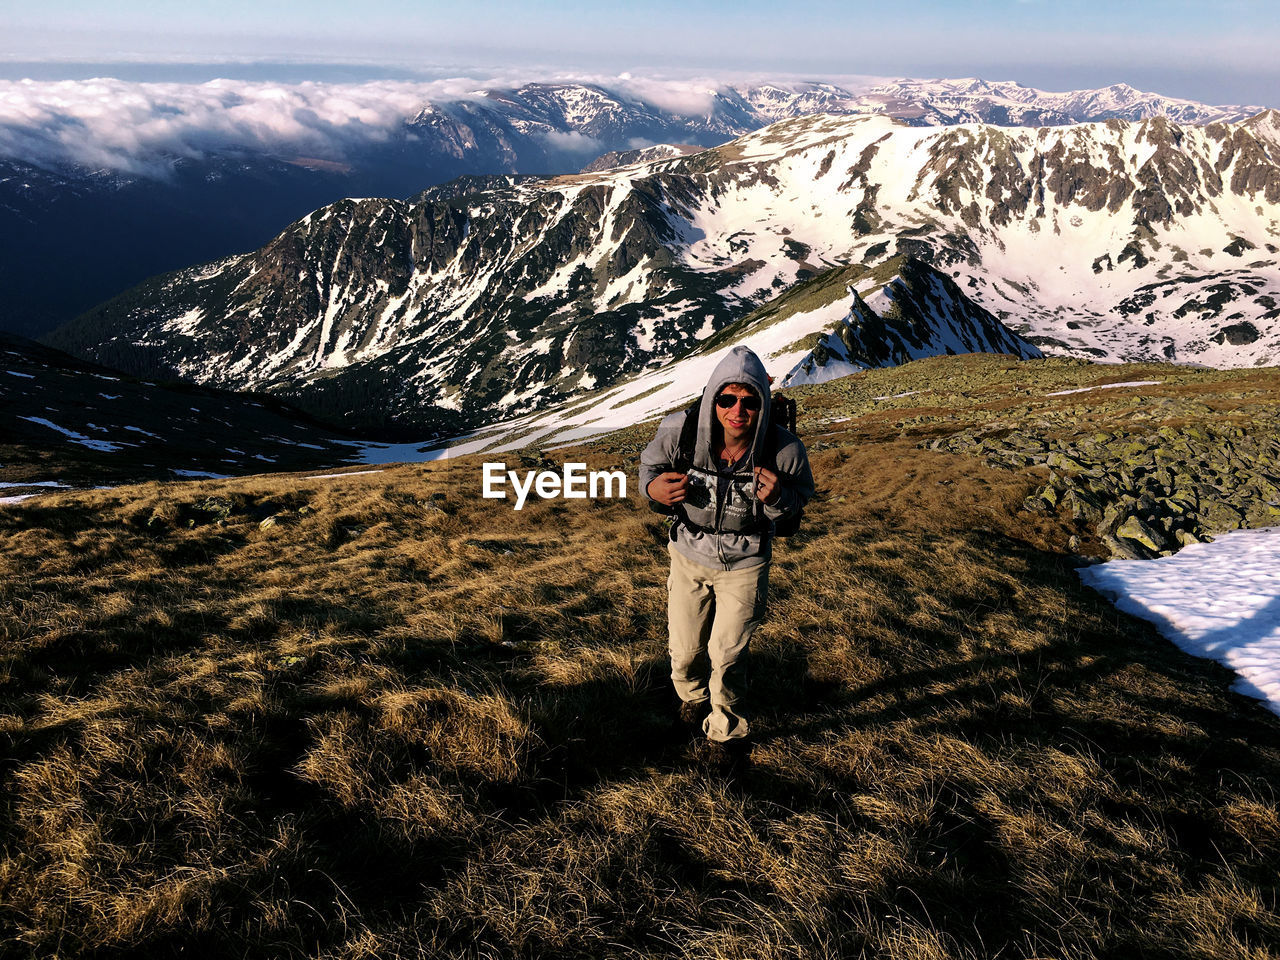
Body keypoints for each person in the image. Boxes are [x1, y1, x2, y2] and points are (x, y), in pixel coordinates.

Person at [640, 345, 814, 760]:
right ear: (712, 397)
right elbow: (648, 469)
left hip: (747, 561)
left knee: (728, 653)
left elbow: (796, 510)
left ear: (764, 403)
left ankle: (727, 732)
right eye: (727, 398)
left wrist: (779, 500)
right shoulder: (680, 432)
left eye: (750, 401)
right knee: (684, 650)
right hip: (687, 553)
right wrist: (653, 490)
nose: (737, 410)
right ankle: (691, 697)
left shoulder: (784, 449)